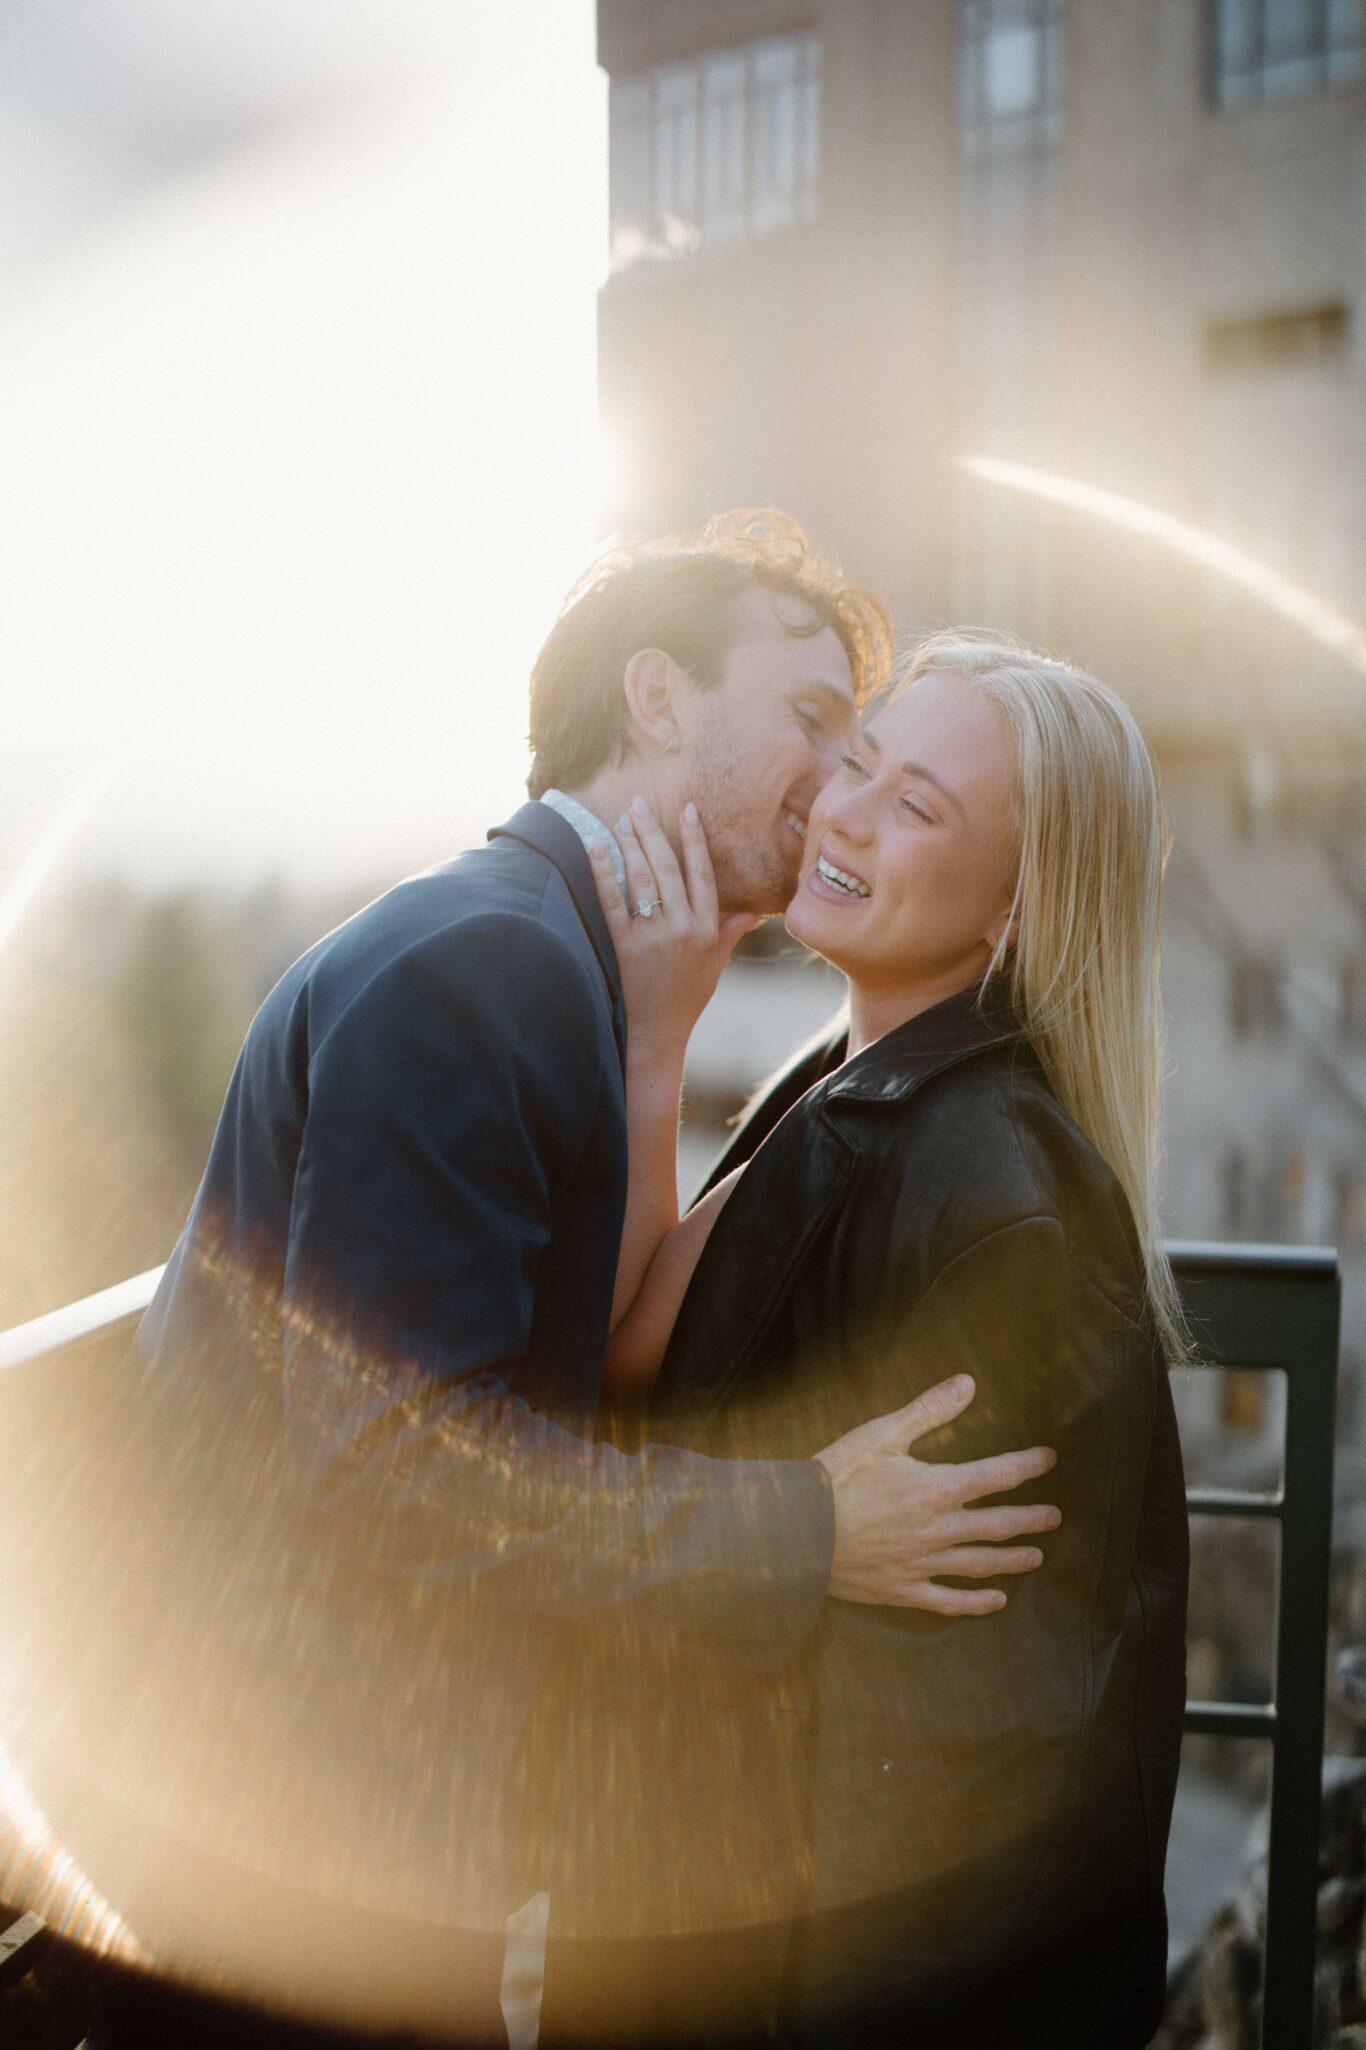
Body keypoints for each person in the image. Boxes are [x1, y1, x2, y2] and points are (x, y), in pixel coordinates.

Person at [0, 521, 1062, 2048]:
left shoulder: (556, 955)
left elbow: (570, 1343)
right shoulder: (481, 966)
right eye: (814, 721)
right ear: (654, 698)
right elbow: (397, 1467)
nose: (837, 784)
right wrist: (806, 1526)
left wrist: (656, 1039)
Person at [589, 632, 1190, 2049]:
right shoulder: (848, 1074)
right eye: (856, 762)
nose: (846, 811)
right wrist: (656, 1041)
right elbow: (635, 1351)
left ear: (1016, 912)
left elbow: (960, 1757)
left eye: (919, 806)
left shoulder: (991, 1199)